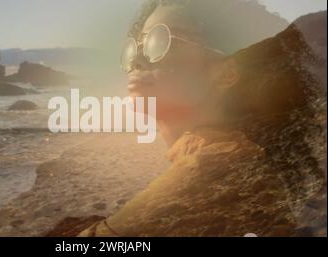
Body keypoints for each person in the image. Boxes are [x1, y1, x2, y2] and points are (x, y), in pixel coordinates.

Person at [78, 0, 327, 236]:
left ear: (226, 73)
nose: (137, 60)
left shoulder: (215, 164)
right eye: (137, 47)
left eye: (160, 41)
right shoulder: (237, 154)